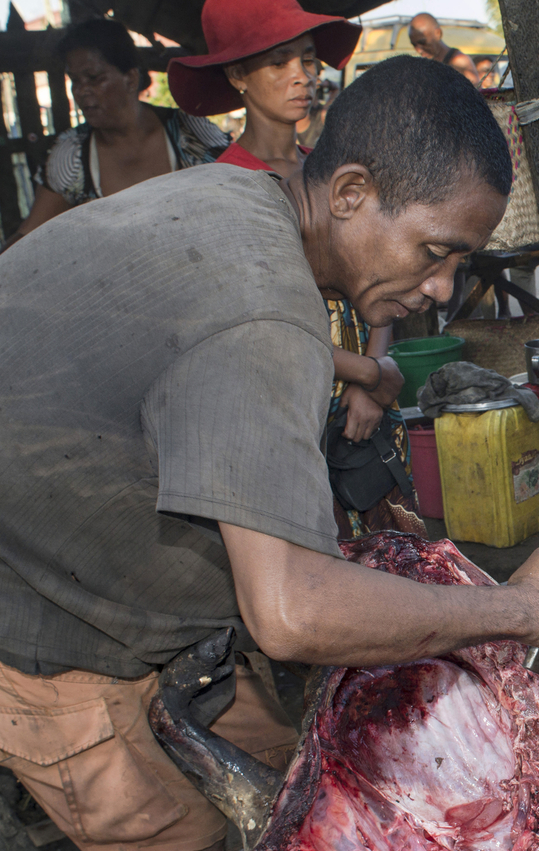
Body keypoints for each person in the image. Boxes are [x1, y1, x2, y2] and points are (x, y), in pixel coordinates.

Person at [0, 57, 539, 851]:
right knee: (197, 842)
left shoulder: (253, 209)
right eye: (436, 252)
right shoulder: (261, 314)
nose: (441, 289)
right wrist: (517, 609)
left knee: (286, 785)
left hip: (95, 518)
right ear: (350, 192)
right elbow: (287, 613)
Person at [171, 0, 418, 537]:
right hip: (288, 409)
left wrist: (373, 382)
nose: (302, 76)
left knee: (396, 553)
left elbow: (380, 272)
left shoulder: (331, 168)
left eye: (307, 58)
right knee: (322, 563)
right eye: (278, 62)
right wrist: (373, 375)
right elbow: (255, 326)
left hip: (366, 410)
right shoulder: (225, 189)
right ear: (236, 75)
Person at [0, 19, 229, 288]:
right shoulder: (71, 155)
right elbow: (30, 232)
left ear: (131, 79)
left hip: (200, 282)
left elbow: (237, 194)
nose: (82, 91)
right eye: (74, 80)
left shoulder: (189, 133)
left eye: (94, 78)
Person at [408, 13, 480, 84]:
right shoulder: (426, 65)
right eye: (414, 45)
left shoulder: (459, 62)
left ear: (438, 33)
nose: (419, 50)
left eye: (423, 43)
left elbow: (474, 93)